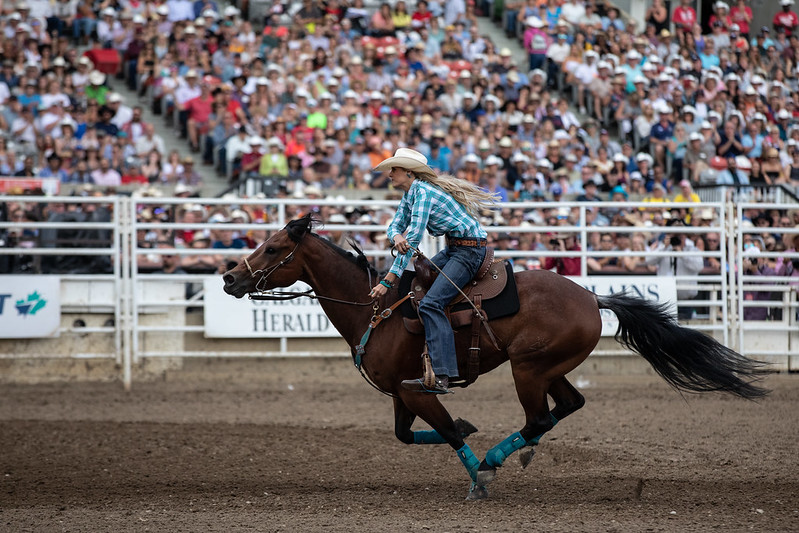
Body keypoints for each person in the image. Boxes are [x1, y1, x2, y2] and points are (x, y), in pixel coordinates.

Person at [369, 148, 497, 394]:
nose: (389, 174)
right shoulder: (411, 193)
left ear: (408, 172)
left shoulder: (424, 193)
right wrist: (395, 235)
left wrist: (388, 280)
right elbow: (396, 225)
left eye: (393, 169)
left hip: (468, 252)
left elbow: (414, 238)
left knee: (430, 304)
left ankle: (442, 374)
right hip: (456, 248)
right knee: (420, 285)